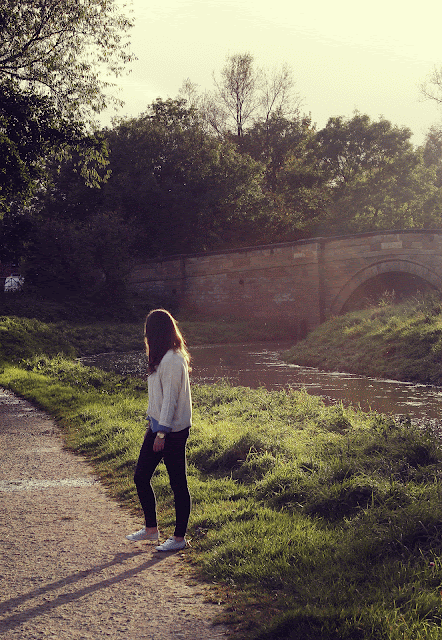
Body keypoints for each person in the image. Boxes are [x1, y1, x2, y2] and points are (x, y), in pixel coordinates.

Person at [126, 309, 192, 551]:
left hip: (172, 431)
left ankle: (179, 539)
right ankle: (151, 530)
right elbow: (158, 398)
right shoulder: (161, 358)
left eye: (148, 330)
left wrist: (162, 433)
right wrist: (153, 425)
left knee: (178, 483)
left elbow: (170, 401)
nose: (145, 335)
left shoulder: (173, 360)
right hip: (157, 427)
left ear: (156, 332)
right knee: (141, 476)